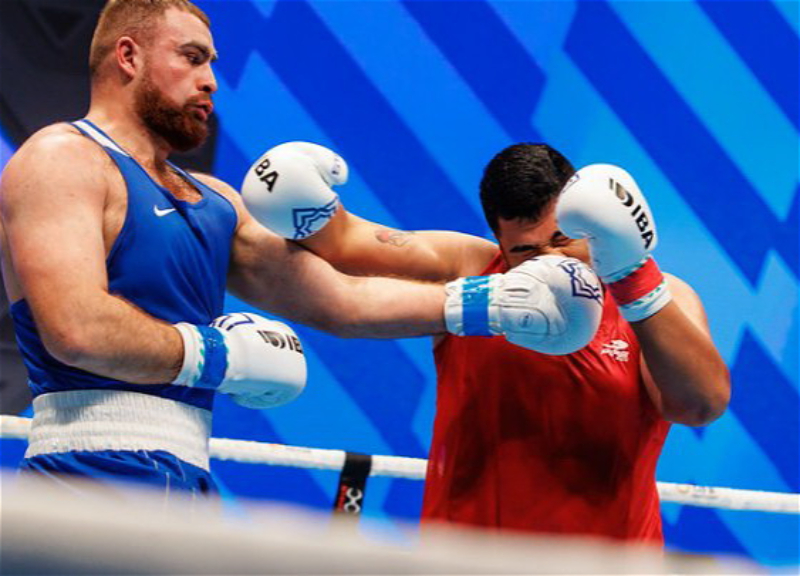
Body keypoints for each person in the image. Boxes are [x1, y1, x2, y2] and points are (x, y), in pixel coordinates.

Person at [0, 0, 601, 496]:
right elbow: (77, 329)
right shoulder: (62, 158)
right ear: (128, 56)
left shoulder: (215, 200)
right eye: (192, 57)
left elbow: (343, 301)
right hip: (84, 471)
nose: (211, 81)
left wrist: (492, 302)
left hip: (187, 479)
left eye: (212, 63)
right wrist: (217, 355)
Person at [242, 141, 731, 544]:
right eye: (526, 251)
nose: (552, 261)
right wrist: (299, 202)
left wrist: (634, 279)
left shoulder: (659, 296)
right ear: (500, 244)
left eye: (563, 241)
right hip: (466, 561)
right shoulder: (471, 268)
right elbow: (346, 243)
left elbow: (700, 405)